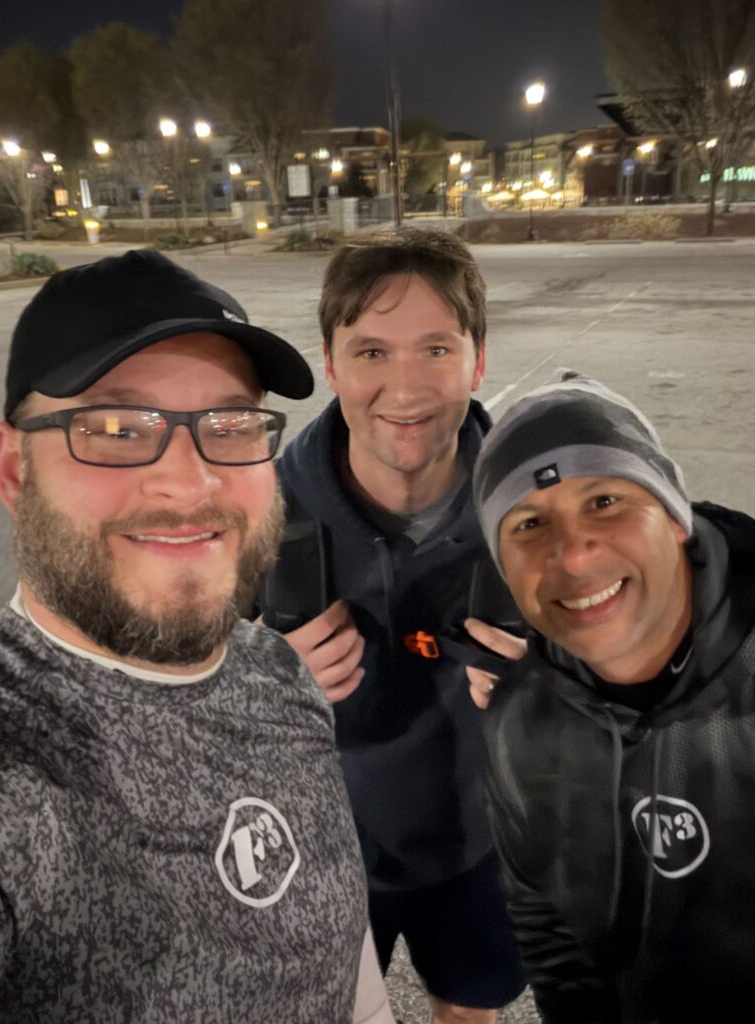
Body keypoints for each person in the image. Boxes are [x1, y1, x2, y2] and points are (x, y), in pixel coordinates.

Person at [0, 250, 389, 1023]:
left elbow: (341, 956)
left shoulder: (278, 671)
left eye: (230, 424)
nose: (189, 481)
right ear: (13, 470)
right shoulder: (7, 763)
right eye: (115, 427)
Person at [258, 229, 526, 1024]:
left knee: (469, 1011)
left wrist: (559, 682)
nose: (404, 389)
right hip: (318, 855)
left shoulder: (540, 513)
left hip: (483, 844)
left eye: (435, 348)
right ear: (331, 364)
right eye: (372, 352)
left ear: (478, 360)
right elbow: (165, 700)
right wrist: (261, 674)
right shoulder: (254, 511)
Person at [468, 370, 755, 1024]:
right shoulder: (520, 722)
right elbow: (549, 929)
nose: (572, 554)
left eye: (604, 501)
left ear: (675, 517)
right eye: (529, 523)